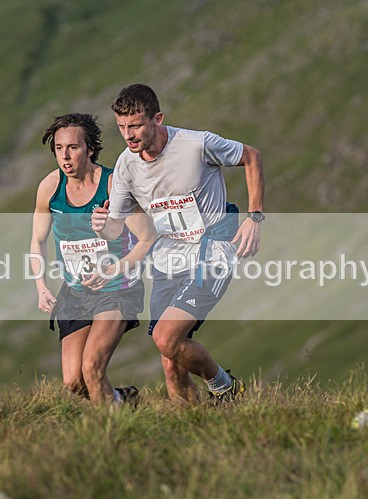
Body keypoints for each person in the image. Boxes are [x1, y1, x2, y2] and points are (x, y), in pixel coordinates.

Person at [91, 84, 265, 404]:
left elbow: (251, 157)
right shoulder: (126, 166)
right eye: (122, 127)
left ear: (157, 119)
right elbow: (116, 227)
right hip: (168, 259)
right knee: (170, 363)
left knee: (165, 337)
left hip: (211, 251)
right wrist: (103, 226)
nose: (128, 135)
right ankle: (192, 428)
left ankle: (226, 387)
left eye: (136, 125)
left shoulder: (196, 144)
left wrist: (254, 218)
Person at [30, 113, 156, 405]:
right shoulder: (50, 188)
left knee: (92, 367)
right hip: (75, 292)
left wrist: (115, 270)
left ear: (89, 149)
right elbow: (37, 240)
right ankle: (121, 401)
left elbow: (148, 237)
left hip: (117, 289)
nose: (65, 155)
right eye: (59, 148)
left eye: (73, 147)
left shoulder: (113, 185)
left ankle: (110, 436)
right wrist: (41, 285)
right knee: (74, 381)